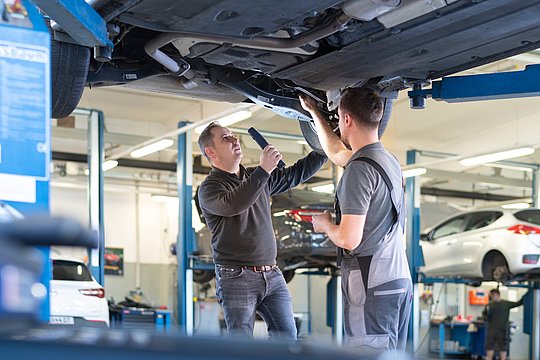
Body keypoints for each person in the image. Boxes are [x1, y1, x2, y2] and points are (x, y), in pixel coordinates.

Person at [299, 88, 412, 352]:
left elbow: (349, 239)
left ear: (347, 120)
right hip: (397, 279)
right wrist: (315, 112)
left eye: (338, 118)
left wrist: (326, 224)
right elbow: (337, 153)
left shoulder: (359, 170)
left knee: (368, 354)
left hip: (370, 282)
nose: (338, 124)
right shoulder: (386, 160)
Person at [197, 121, 326, 341]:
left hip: (272, 274)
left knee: (287, 338)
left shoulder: (255, 178)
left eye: (233, 135)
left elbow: (296, 174)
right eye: (225, 138)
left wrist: (325, 146)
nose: (234, 140)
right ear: (211, 151)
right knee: (242, 345)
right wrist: (264, 170)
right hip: (236, 276)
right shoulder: (210, 188)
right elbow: (234, 203)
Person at [483, 289, 524, 360]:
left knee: (503, 347)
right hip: (491, 329)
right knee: (489, 346)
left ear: (497, 294)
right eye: (490, 296)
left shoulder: (506, 304)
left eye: (492, 295)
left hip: (502, 330)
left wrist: (525, 296)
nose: (491, 297)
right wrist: (486, 318)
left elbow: (518, 303)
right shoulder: (489, 305)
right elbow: (484, 314)